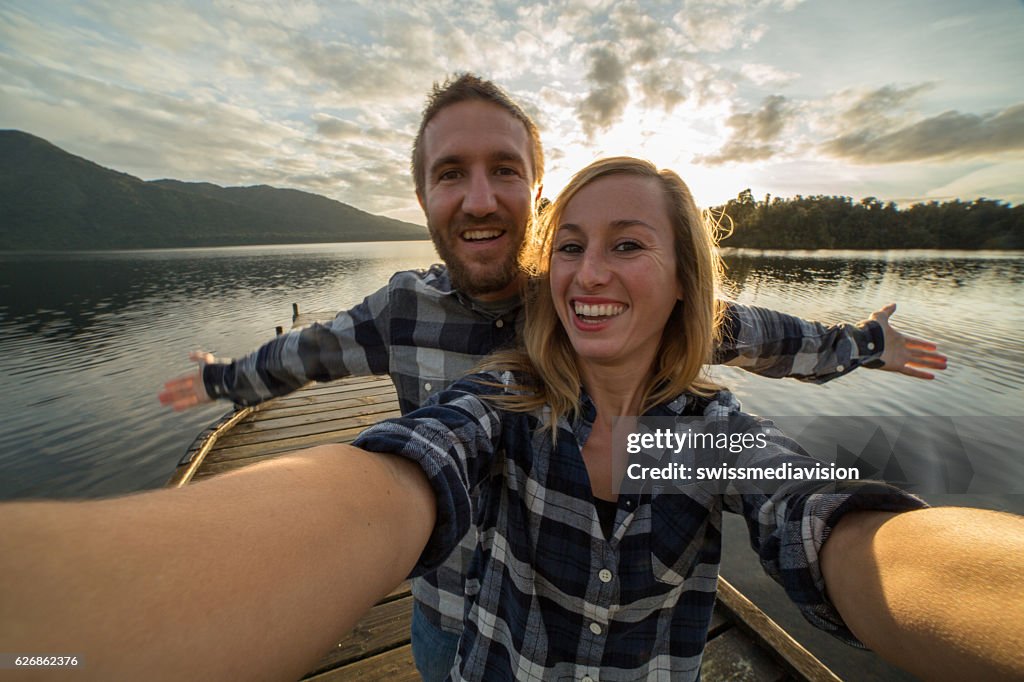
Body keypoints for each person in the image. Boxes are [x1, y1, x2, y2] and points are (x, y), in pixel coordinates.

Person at [2, 157, 1019, 682]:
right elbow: (386, 475)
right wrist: (231, 382)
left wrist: (863, 348)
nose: (587, 271)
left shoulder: (693, 435)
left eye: (627, 245)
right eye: (569, 245)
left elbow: (812, 505)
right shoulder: (505, 407)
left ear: (681, 283)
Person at [158, 74, 947, 680]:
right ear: (423, 197)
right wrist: (229, 380)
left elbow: (749, 334)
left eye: (504, 170)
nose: (478, 197)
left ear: (536, 192)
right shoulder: (399, 311)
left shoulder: (583, 294)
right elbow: (308, 354)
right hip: (441, 603)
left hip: (568, 598)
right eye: (450, 174)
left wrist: (862, 347)